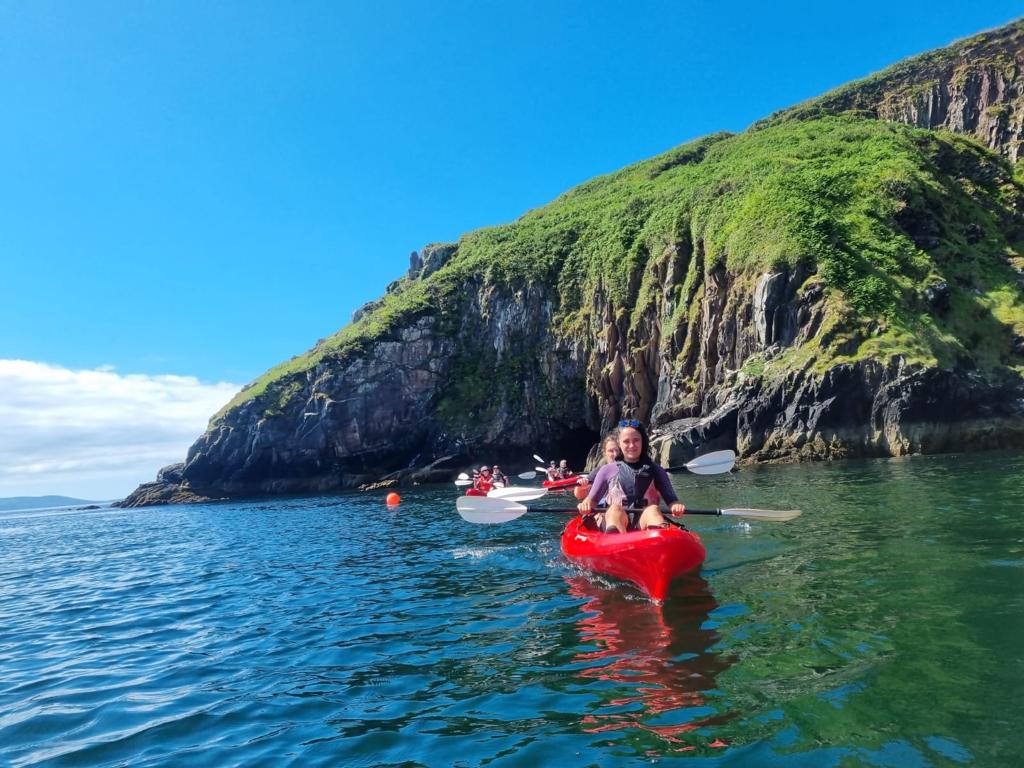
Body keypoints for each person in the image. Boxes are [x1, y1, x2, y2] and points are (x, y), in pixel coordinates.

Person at [577, 420, 685, 534]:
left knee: (653, 509)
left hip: (644, 522)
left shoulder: (657, 471)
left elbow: (672, 501)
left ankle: (658, 539)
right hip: (615, 521)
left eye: (636, 440)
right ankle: (615, 538)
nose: (632, 445)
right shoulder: (606, 470)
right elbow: (590, 502)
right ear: (619, 444)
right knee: (615, 509)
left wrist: (676, 506)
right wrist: (584, 505)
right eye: (626, 441)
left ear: (643, 441)